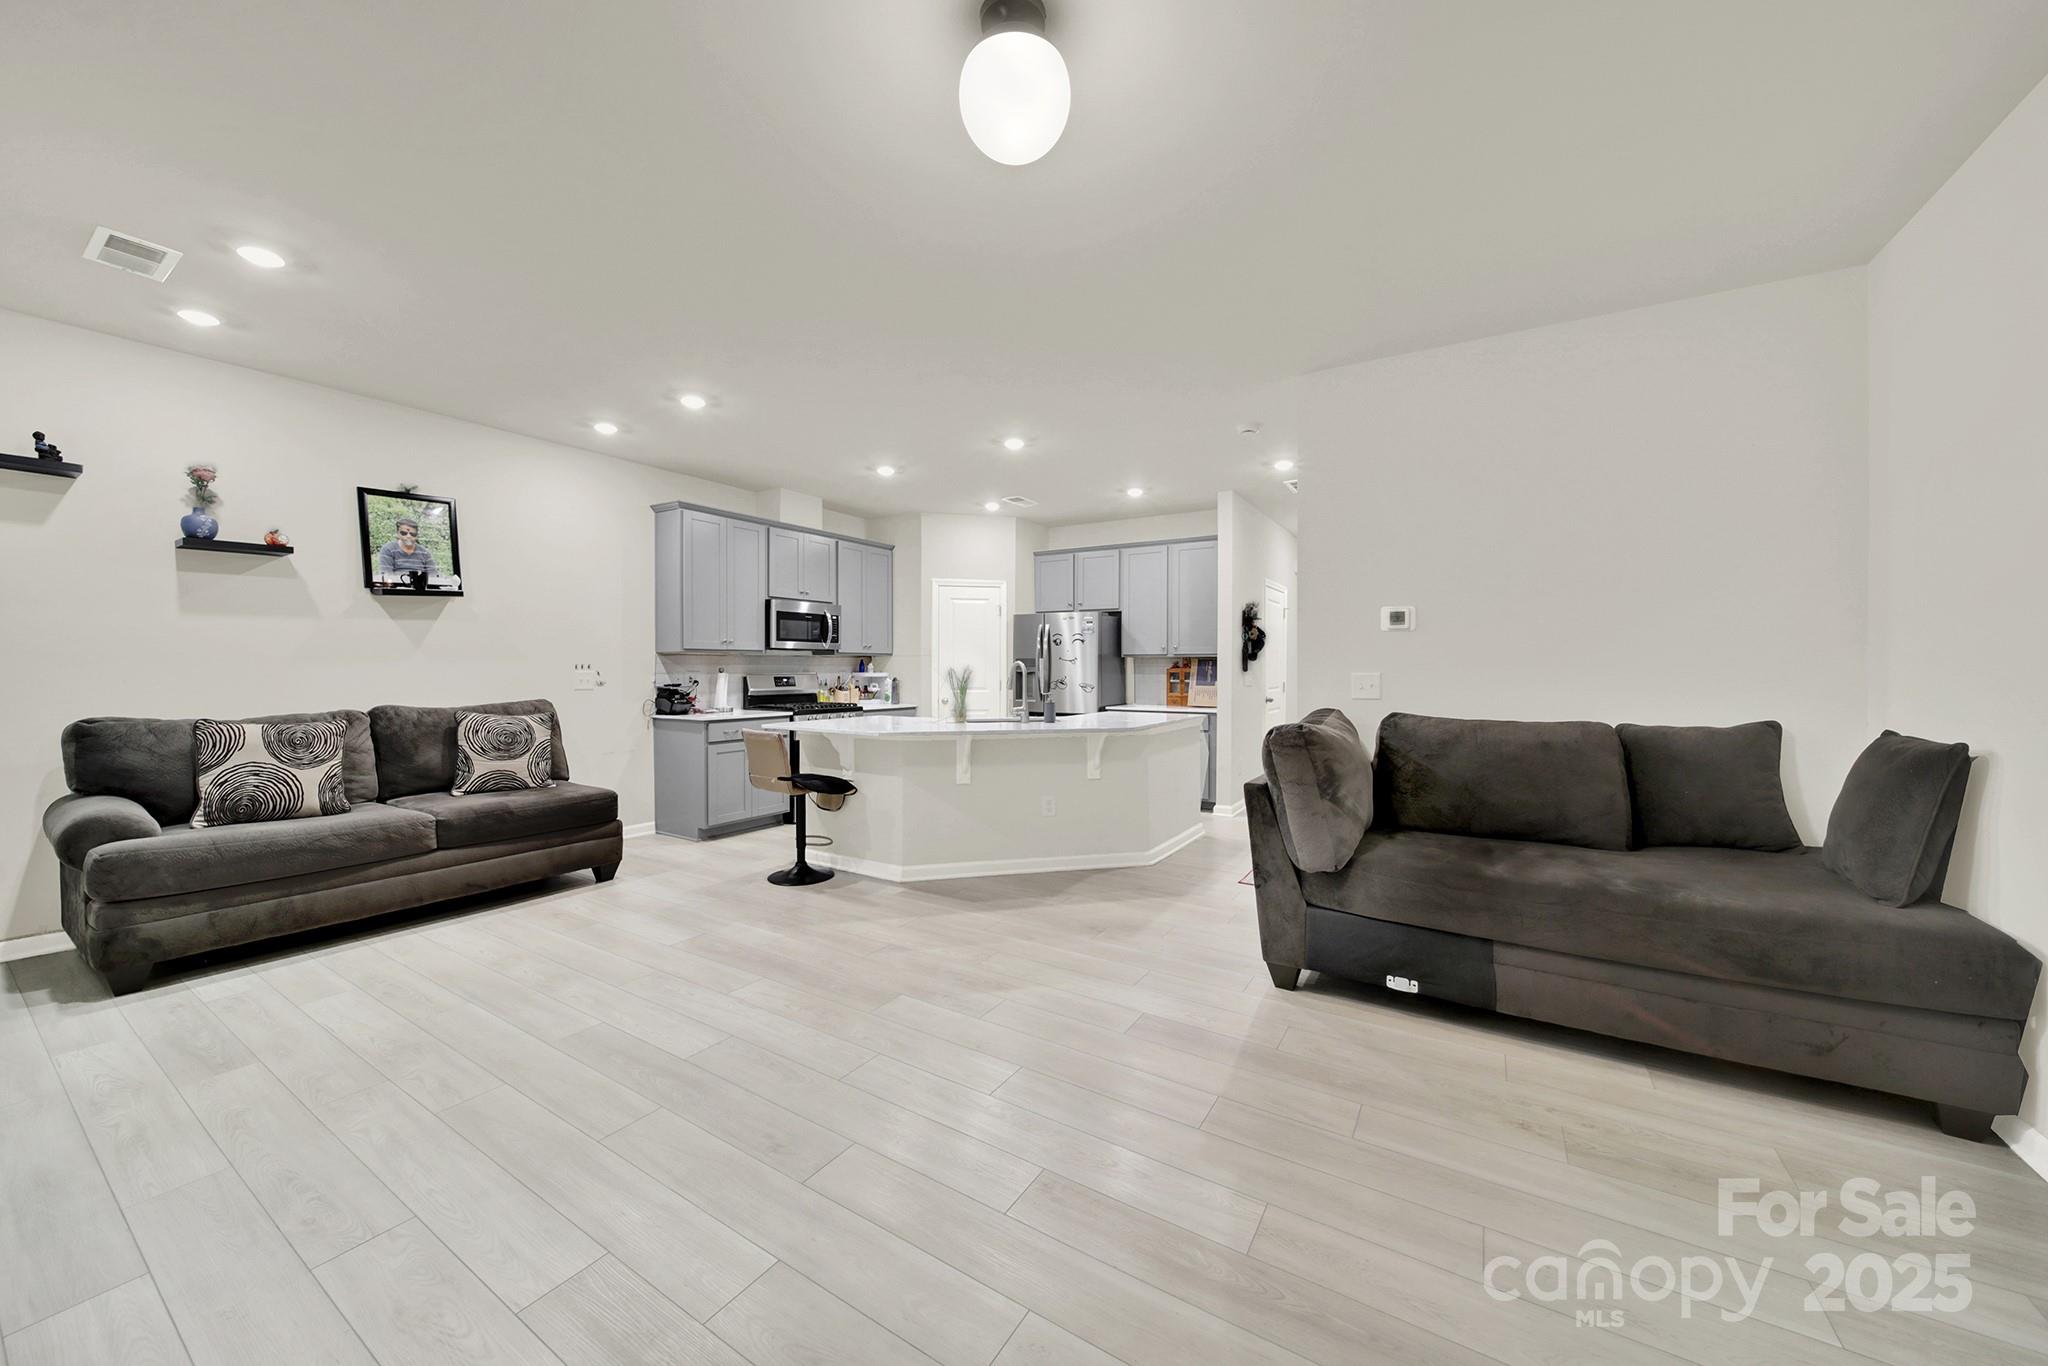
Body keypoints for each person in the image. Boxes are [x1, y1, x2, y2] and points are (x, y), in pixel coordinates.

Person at [376, 516, 438, 580]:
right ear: (398, 534)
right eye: (404, 533)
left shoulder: (424, 553)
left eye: (412, 534)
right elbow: (387, 575)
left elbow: (433, 576)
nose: (408, 536)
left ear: (417, 535)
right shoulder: (388, 549)